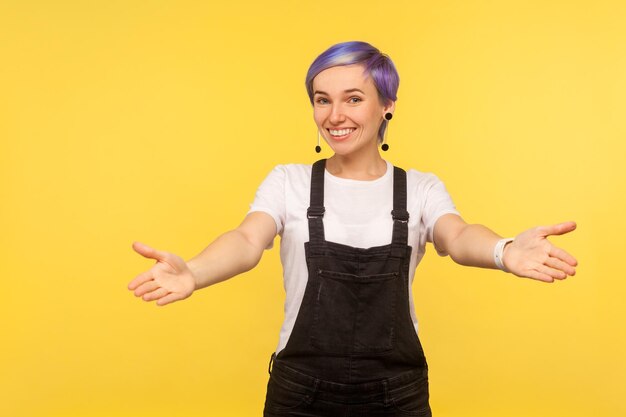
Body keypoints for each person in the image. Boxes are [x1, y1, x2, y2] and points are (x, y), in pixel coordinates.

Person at [128, 41, 578, 416]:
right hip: (299, 395)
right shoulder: (290, 181)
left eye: (353, 98)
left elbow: (457, 237)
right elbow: (247, 240)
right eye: (322, 99)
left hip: (397, 397)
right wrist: (193, 272)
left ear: (388, 105)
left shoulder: (419, 189)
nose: (334, 115)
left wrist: (504, 251)